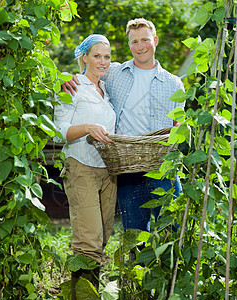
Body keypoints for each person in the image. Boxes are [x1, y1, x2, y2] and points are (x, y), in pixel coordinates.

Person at [62, 18, 185, 237]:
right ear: (129, 45)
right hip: (127, 168)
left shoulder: (174, 83)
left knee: (174, 230)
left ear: (155, 40)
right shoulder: (115, 73)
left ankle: (171, 270)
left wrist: (182, 127)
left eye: (145, 40)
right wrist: (64, 78)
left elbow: (179, 123)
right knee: (134, 235)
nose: (140, 46)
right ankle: (135, 269)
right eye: (135, 41)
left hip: (163, 166)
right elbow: (89, 71)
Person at [53, 34, 117, 296]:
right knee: (88, 240)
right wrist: (88, 128)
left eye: (107, 56)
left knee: (101, 238)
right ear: (85, 57)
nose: (102, 61)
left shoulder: (107, 88)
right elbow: (59, 131)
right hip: (81, 166)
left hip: (108, 171)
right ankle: (81, 294)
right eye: (96, 56)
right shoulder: (72, 86)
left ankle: (86, 291)